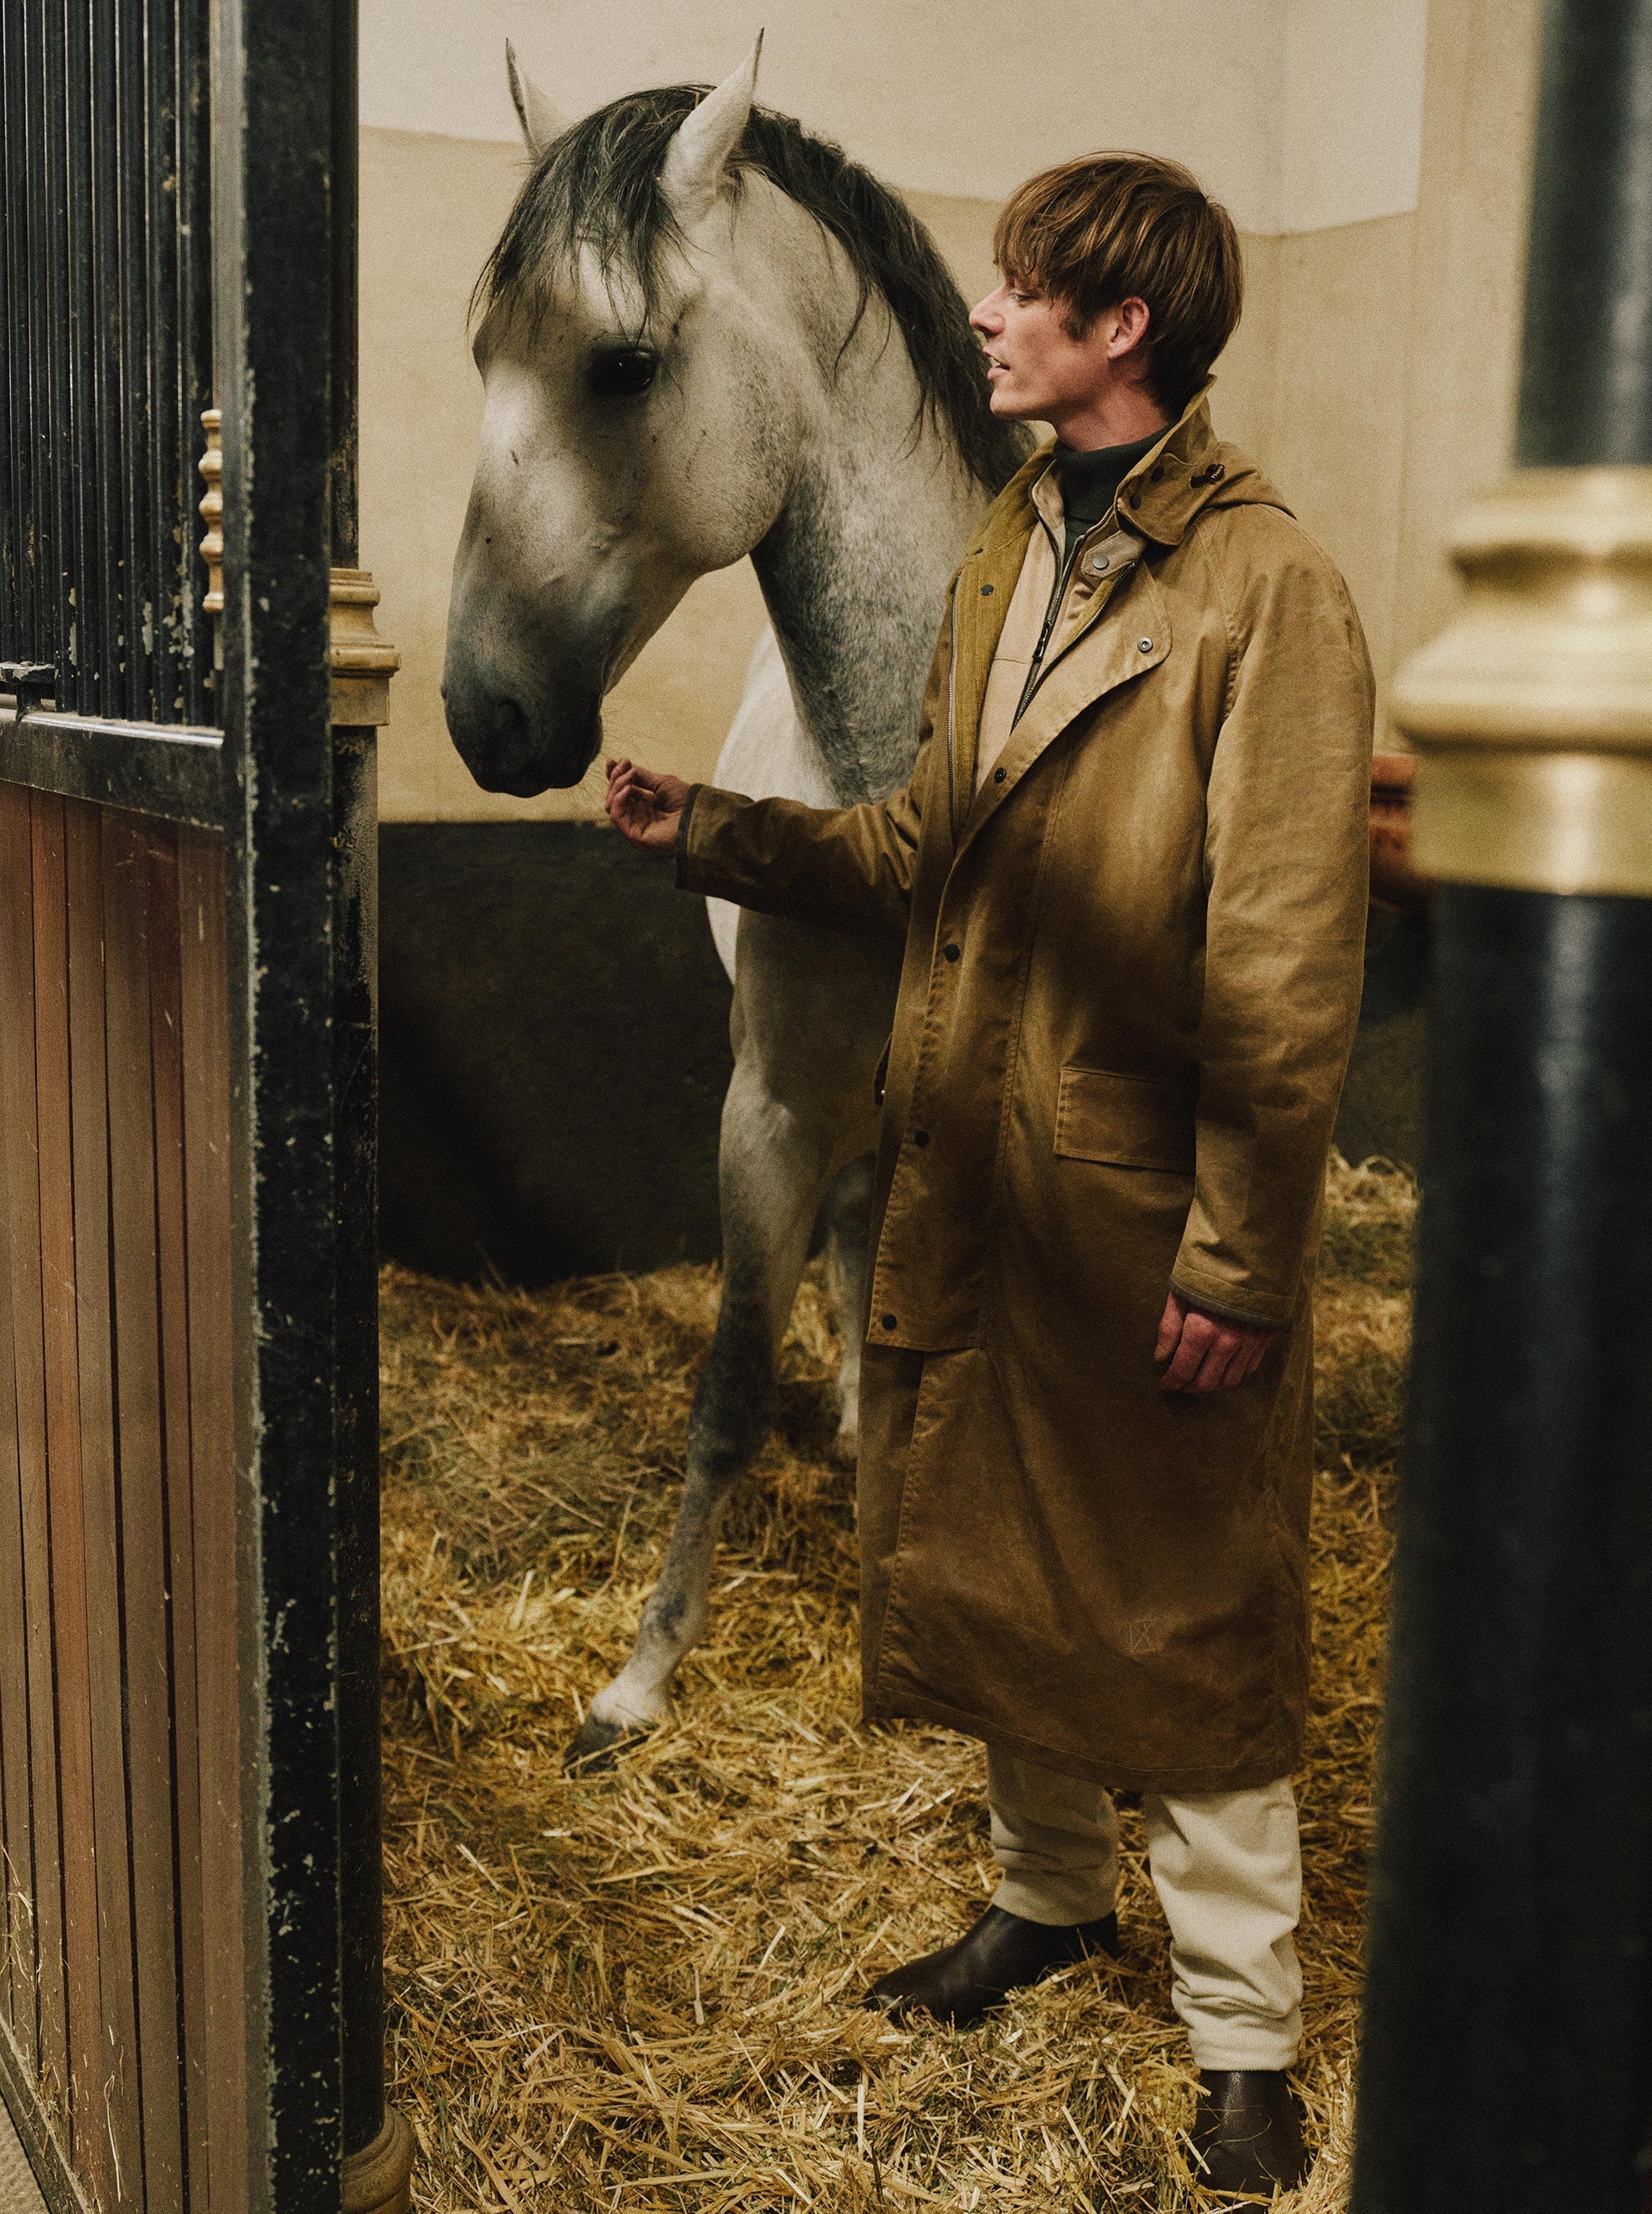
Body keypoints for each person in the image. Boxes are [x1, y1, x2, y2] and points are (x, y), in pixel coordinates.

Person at [605, 149, 1371, 2200]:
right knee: (986, 1556)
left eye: (1026, 289)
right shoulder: (1014, 547)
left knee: (1191, 1612)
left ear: (1123, 330)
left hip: (1142, 1203)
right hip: (975, 1157)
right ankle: (1047, 1898)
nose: (988, 312)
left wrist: (1239, 1259)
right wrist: (718, 832)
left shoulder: (1268, 589)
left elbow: (1288, 973)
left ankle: (1245, 2038)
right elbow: (921, 837)